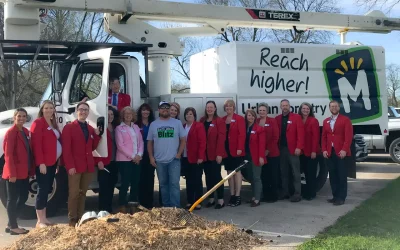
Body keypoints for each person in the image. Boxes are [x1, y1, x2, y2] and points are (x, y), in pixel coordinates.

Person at [62, 102, 101, 227]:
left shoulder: (90, 129)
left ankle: (80, 216)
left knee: (83, 193)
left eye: (85, 110)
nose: (83, 112)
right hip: (75, 167)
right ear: (76, 111)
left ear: (88, 112)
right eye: (81, 109)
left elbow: (92, 147)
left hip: (87, 166)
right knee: (73, 194)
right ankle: (72, 218)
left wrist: (97, 135)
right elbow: (66, 149)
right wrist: (70, 166)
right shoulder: (69, 127)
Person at [147, 101, 186, 208]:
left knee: (174, 184)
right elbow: (150, 142)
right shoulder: (154, 124)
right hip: (159, 161)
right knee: (163, 185)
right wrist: (151, 157)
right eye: (162, 108)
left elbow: (183, 139)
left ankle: (175, 208)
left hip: (174, 159)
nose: (165, 109)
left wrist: (179, 154)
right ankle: (166, 208)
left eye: (167, 108)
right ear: (159, 110)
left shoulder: (177, 123)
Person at [31, 100, 62, 228]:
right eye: (46, 108)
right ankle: (39, 220)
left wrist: (58, 162)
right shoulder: (38, 123)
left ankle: (45, 218)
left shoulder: (53, 123)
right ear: (42, 110)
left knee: (48, 189)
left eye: (51, 108)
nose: (49, 110)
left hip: (53, 163)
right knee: (42, 190)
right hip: (44, 163)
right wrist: (41, 163)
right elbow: (36, 145)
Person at [2, 108, 33, 235]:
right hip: (13, 173)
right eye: (19, 116)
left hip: (24, 172)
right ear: (14, 118)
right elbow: (8, 155)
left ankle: (11, 223)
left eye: (24, 116)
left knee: (24, 196)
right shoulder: (11, 133)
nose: (21, 118)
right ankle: (14, 227)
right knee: (12, 199)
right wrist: (12, 173)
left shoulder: (25, 131)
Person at [322, 100, 353, 206]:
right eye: (332, 106)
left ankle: (341, 197)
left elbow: (348, 137)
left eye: (335, 106)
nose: (334, 108)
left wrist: (344, 149)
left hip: (341, 152)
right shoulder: (326, 121)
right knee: (333, 175)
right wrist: (324, 150)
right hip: (330, 152)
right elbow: (324, 137)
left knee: (342, 176)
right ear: (329, 108)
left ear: (339, 108)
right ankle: (335, 196)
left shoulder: (345, 120)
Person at [116, 106, 144, 212]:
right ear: (123, 116)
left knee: (135, 182)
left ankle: (133, 204)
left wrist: (139, 155)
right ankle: (122, 204)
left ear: (133, 116)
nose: (128, 116)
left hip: (137, 159)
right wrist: (133, 156)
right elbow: (120, 146)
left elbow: (141, 142)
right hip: (124, 160)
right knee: (125, 182)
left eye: (130, 114)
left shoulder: (136, 127)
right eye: (126, 114)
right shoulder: (119, 128)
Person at [275, 99, 304, 202]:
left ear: (289, 106)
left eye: (286, 105)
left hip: (293, 149)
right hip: (281, 149)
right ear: (280, 107)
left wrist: (299, 147)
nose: (285, 107)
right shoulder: (277, 118)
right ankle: (285, 192)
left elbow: (301, 134)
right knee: (283, 172)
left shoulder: (296, 117)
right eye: (283, 105)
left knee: (295, 173)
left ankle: (297, 194)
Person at [200, 101, 226, 209]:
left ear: (215, 109)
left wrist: (219, 154)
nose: (209, 109)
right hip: (205, 155)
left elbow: (221, 138)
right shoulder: (202, 120)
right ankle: (211, 199)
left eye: (211, 107)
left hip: (215, 154)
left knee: (216, 177)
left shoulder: (219, 121)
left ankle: (220, 200)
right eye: (208, 107)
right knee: (208, 177)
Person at [94, 106, 119, 213]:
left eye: (112, 115)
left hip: (115, 161)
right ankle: (102, 209)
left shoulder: (115, 127)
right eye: (108, 115)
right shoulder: (101, 128)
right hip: (104, 161)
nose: (110, 117)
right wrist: (98, 161)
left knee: (111, 186)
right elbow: (95, 145)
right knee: (103, 187)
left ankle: (108, 208)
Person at [222, 100, 245, 207]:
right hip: (226, 150)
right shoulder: (222, 120)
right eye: (227, 106)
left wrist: (240, 148)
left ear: (234, 107)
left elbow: (242, 134)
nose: (228, 108)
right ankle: (231, 194)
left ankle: (238, 195)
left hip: (237, 150)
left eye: (230, 106)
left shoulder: (239, 118)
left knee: (237, 172)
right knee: (229, 172)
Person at [182, 107, 206, 210]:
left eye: (191, 114)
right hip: (185, 157)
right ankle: (190, 201)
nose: (188, 115)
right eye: (187, 114)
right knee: (188, 181)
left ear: (194, 115)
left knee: (197, 180)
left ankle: (198, 201)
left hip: (196, 158)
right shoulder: (183, 126)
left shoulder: (199, 126)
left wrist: (200, 156)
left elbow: (202, 142)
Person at [257, 103, 280, 203]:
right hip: (260, 153)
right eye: (260, 110)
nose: (262, 112)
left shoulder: (272, 121)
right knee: (264, 175)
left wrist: (268, 150)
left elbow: (275, 137)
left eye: (264, 110)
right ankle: (265, 195)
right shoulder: (256, 121)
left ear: (267, 111)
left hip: (272, 153)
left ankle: (273, 196)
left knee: (273, 175)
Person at [298, 102, 320, 201]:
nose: (305, 110)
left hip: (311, 151)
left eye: (307, 109)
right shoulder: (298, 120)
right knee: (305, 173)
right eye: (304, 108)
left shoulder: (313, 121)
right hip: (302, 152)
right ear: (300, 109)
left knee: (311, 173)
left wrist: (314, 151)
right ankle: (306, 192)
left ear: (310, 110)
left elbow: (316, 137)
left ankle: (312, 193)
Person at [244, 109, 266, 207]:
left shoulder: (259, 129)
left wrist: (261, 157)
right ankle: (254, 196)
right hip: (246, 156)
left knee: (257, 177)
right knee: (250, 177)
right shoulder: (244, 128)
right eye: (249, 115)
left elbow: (262, 144)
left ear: (255, 117)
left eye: (252, 115)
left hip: (256, 156)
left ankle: (257, 199)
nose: (251, 117)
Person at [136, 103, 156, 209]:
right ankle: (141, 202)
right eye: (143, 110)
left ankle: (149, 203)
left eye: (147, 110)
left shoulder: (153, 124)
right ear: (140, 112)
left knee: (150, 178)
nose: (145, 112)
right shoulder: (136, 124)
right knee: (140, 179)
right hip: (139, 155)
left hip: (151, 154)